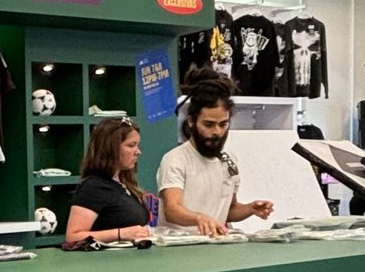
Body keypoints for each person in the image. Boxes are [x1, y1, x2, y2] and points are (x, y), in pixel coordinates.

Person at [157, 69, 274, 237]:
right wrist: (199, 218)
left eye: (223, 124)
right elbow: (172, 210)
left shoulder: (229, 160)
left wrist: (250, 209)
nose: (217, 132)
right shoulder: (175, 159)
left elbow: (229, 210)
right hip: (180, 247)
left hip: (216, 245)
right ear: (191, 122)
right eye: (208, 124)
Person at [66, 117, 153, 244]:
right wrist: (121, 234)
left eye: (137, 145)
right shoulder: (93, 187)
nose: (138, 152)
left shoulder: (125, 184)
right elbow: (73, 236)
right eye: (131, 145)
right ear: (111, 148)